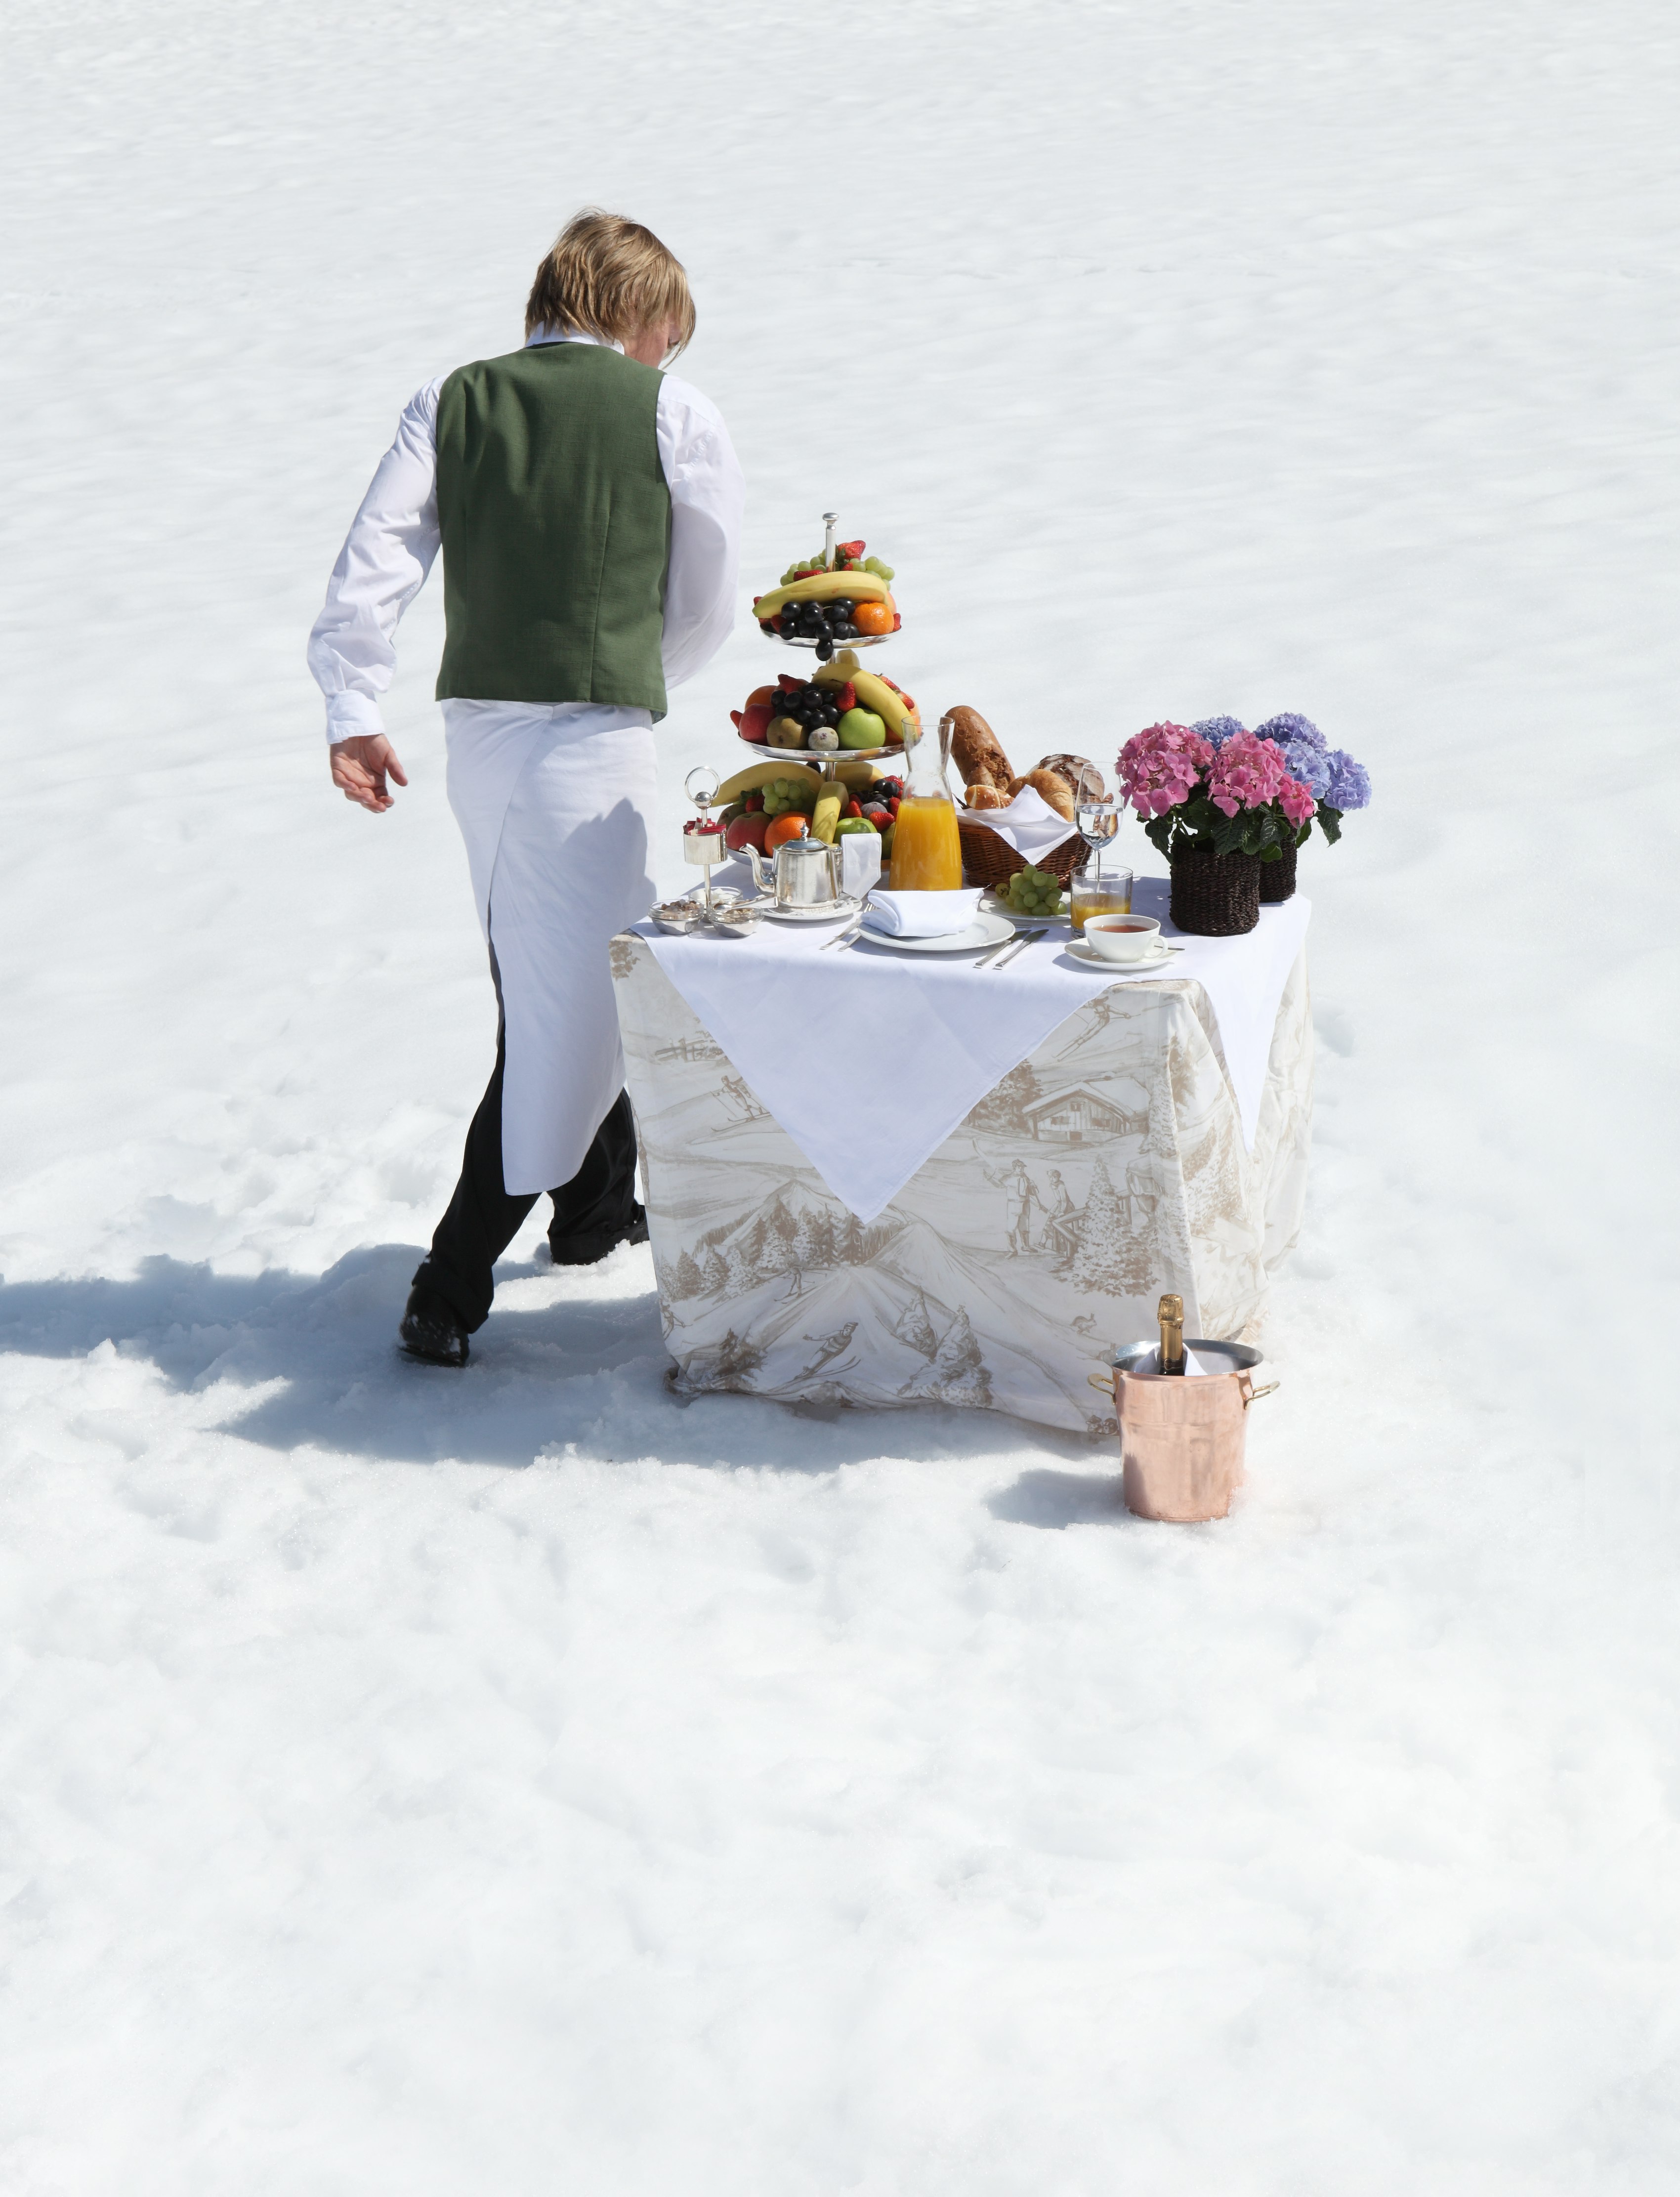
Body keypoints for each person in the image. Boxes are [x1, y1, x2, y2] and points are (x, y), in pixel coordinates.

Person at [307, 211, 744, 1366]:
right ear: (642, 315)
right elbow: (702, 603)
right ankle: (447, 1290)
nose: (667, 359)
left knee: (552, 968)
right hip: (590, 738)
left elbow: (380, 556)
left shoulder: (451, 399)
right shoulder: (674, 414)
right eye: (669, 335)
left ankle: (594, 1213)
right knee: (579, 1011)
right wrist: (629, 675)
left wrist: (354, 705)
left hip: (479, 741)